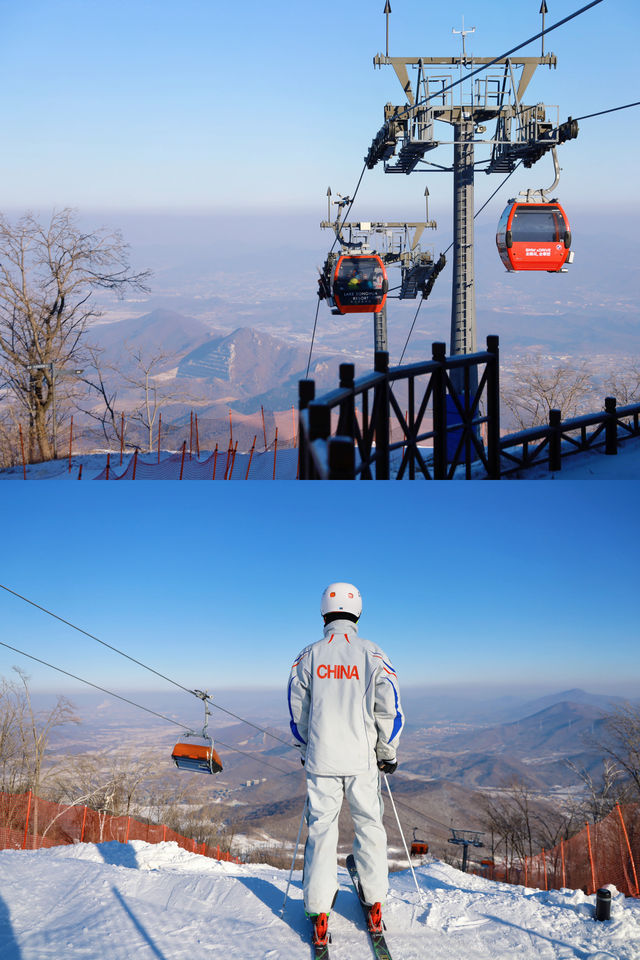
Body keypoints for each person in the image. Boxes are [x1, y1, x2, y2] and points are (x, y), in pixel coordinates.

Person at [287, 582, 404, 946]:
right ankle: (374, 902)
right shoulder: (373, 654)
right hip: (361, 761)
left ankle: (319, 911)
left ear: (324, 612)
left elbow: (297, 713)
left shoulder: (308, 656)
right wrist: (387, 752)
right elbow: (391, 709)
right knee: (370, 826)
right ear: (358, 612)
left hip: (321, 760)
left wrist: (306, 746)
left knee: (322, 830)